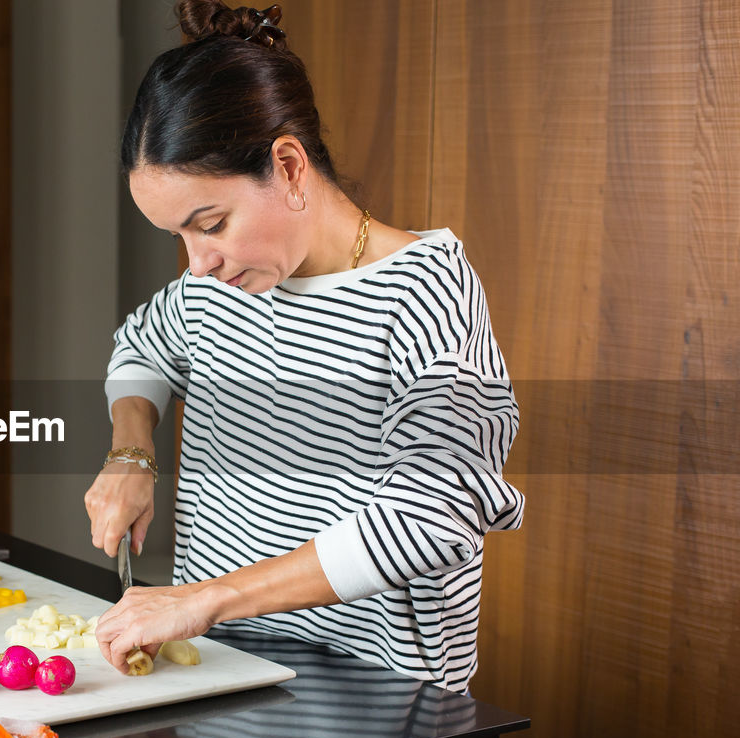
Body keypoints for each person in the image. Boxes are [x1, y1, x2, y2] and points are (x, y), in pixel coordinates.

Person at [86, 0, 524, 694]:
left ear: (288, 166)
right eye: (180, 236)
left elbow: (431, 511)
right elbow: (141, 347)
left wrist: (203, 600)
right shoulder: (217, 288)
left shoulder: (424, 292)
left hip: (377, 710)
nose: (197, 261)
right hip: (222, 680)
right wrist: (130, 451)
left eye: (212, 222)